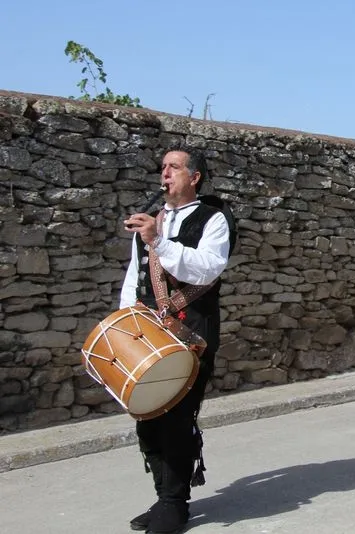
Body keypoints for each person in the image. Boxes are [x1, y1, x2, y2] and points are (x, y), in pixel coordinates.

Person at [120, 148, 235, 534]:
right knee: (147, 417)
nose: (164, 173)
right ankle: (162, 495)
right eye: (163, 167)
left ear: (195, 176)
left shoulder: (214, 218)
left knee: (177, 419)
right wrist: (124, 321)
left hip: (193, 331)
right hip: (148, 331)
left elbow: (208, 268)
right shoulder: (153, 220)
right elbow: (134, 275)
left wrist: (159, 241)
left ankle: (175, 503)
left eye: (173, 167)